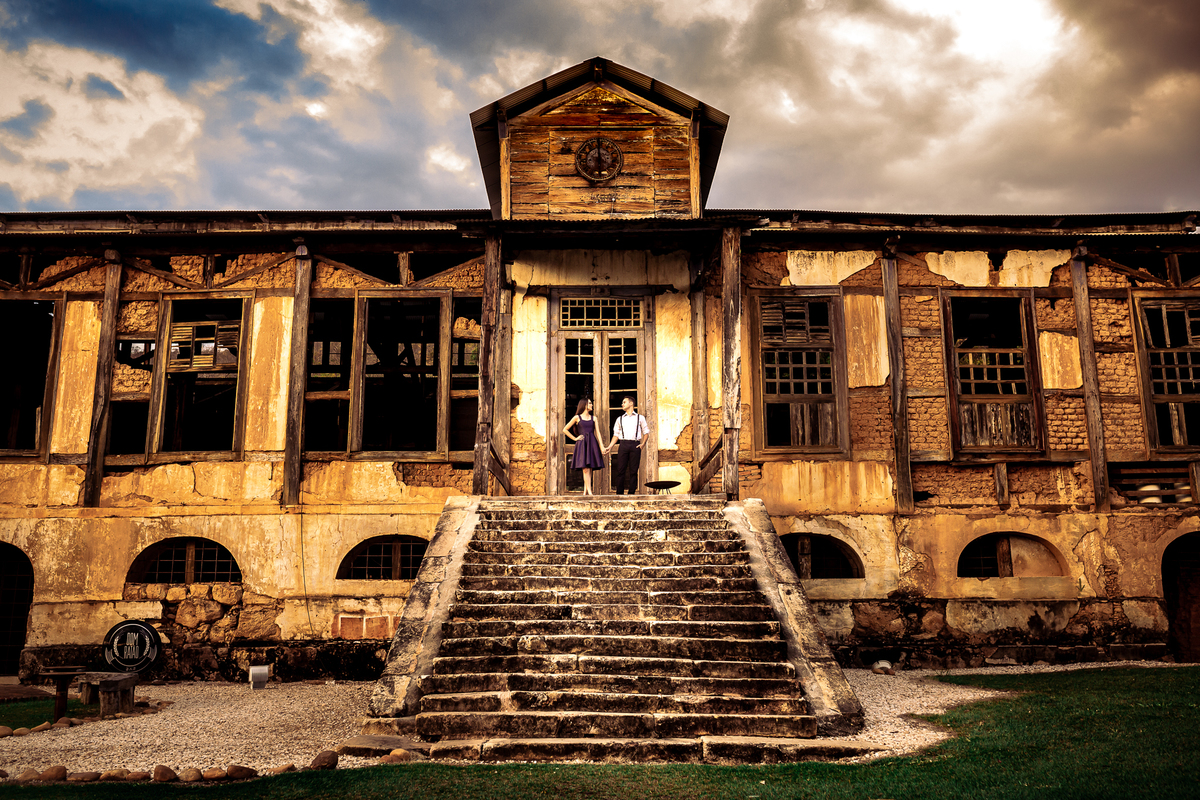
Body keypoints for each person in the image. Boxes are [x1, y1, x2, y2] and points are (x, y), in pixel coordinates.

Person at [606, 396, 649, 496]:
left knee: (633, 470)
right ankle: (619, 494)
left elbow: (646, 432)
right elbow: (616, 435)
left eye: (624, 402)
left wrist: (643, 444)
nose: (622, 404)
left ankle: (631, 493)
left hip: (635, 444)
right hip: (623, 444)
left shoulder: (640, 418)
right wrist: (610, 446)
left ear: (631, 403)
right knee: (621, 470)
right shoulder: (620, 419)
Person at [563, 397, 605, 495]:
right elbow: (565, 429)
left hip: (592, 442)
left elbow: (598, 433)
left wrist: (602, 446)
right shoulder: (577, 417)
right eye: (590, 403)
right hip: (582, 443)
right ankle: (589, 491)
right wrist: (575, 438)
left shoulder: (594, 418)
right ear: (585, 405)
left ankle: (586, 491)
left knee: (589, 467)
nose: (592, 405)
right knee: (585, 468)